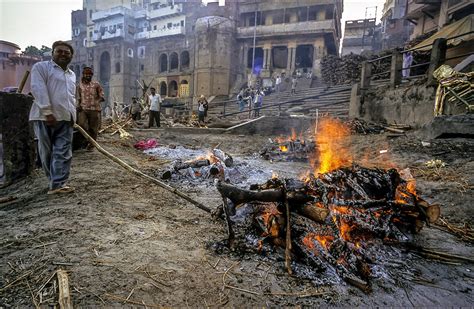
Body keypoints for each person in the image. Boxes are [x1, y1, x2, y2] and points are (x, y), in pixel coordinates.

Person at [29, 41, 76, 195]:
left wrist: (73, 117)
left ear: (71, 56)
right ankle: (53, 182)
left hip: (66, 118)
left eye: (67, 52)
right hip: (45, 117)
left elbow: (71, 97)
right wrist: (47, 111)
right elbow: (38, 89)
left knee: (63, 151)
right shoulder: (41, 68)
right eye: (59, 51)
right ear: (53, 53)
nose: (63, 54)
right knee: (46, 151)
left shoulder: (72, 74)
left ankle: (58, 183)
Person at [76, 66, 105, 151]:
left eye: (89, 74)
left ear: (92, 75)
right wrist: (78, 105)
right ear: (83, 74)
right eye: (86, 74)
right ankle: (88, 140)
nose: (88, 75)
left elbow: (102, 96)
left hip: (94, 109)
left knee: (93, 128)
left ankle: (91, 145)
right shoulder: (80, 85)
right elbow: (79, 97)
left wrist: (97, 100)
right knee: (81, 125)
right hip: (83, 109)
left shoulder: (96, 84)